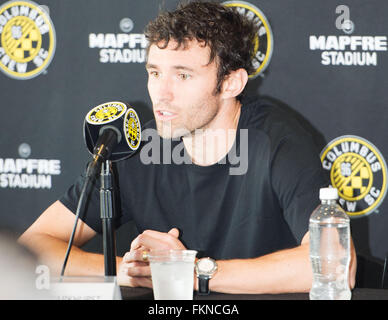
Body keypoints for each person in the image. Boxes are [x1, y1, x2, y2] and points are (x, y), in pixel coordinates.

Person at [18, 1, 356, 294]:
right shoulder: (135, 148)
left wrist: (191, 271)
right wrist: (130, 271)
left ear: (231, 83)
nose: (161, 94)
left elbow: (335, 265)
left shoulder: (276, 141)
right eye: (154, 72)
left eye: (182, 76)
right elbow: (33, 245)